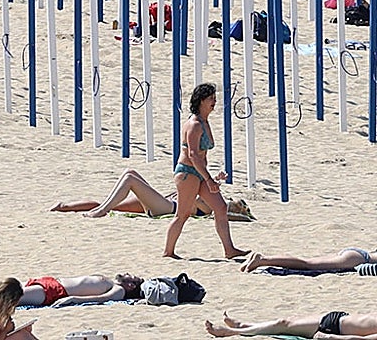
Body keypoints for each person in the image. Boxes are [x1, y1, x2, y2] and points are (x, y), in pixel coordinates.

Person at [164, 82, 247, 259]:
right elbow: (193, 155)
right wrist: (209, 179)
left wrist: (210, 177)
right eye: (211, 99)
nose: (214, 102)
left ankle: (229, 249)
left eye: (214, 98)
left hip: (199, 173)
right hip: (188, 173)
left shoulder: (204, 122)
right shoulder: (194, 124)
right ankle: (168, 252)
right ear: (201, 101)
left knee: (221, 207)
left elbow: (201, 156)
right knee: (183, 214)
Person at [48, 168, 254, 220]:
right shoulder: (212, 202)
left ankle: (100, 211)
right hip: (163, 202)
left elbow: (194, 197)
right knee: (125, 183)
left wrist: (210, 182)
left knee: (129, 180)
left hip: (166, 207)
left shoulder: (212, 208)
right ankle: (67, 207)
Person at [0, 273, 143, 312]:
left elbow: (98, 300)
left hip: (53, 293)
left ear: (132, 286)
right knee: (0, 292)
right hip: (49, 284)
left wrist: (71, 300)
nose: (128, 274)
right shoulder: (111, 280)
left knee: (4, 296)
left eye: (133, 277)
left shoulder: (117, 290)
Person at [204, 311, 377, 338]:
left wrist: (329, 337)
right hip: (338, 316)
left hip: (332, 328)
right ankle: (245, 326)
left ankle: (230, 332)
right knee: (285, 322)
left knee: (283, 324)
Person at [241, 246, 376, 274]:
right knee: (308, 265)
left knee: (308, 261)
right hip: (356, 259)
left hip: (356, 253)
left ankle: (262, 259)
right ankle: (264, 260)